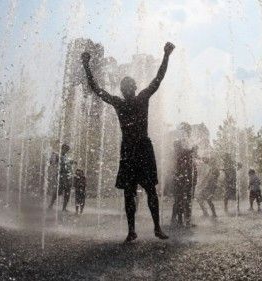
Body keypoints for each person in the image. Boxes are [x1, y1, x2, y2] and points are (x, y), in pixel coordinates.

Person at [81, 42, 174, 242]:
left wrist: (166, 55)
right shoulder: (125, 101)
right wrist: (86, 66)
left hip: (139, 147)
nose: (127, 89)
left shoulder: (137, 99)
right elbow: (96, 89)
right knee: (130, 192)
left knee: (149, 189)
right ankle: (133, 231)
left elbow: (158, 79)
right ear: (123, 90)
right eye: (125, 87)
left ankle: (156, 227)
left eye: (128, 86)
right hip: (132, 149)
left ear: (132, 88)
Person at [171, 123, 197, 227]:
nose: (188, 133)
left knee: (189, 197)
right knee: (179, 197)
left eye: (189, 131)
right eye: (186, 130)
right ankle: (176, 219)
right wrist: (191, 150)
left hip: (189, 174)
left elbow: (193, 158)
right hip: (179, 173)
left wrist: (202, 158)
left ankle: (187, 220)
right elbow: (179, 153)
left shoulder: (190, 143)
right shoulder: (176, 142)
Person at [48, 144, 73, 211]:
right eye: (65, 149)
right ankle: (51, 205)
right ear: (62, 148)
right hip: (62, 176)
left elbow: (66, 163)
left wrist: (71, 162)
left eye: (67, 150)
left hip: (68, 176)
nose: (66, 151)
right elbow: (51, 161)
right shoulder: (58, 155)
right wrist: (53, 156)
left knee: (67, 192)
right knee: (58, 191)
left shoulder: (66, 156)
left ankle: (64, 208)